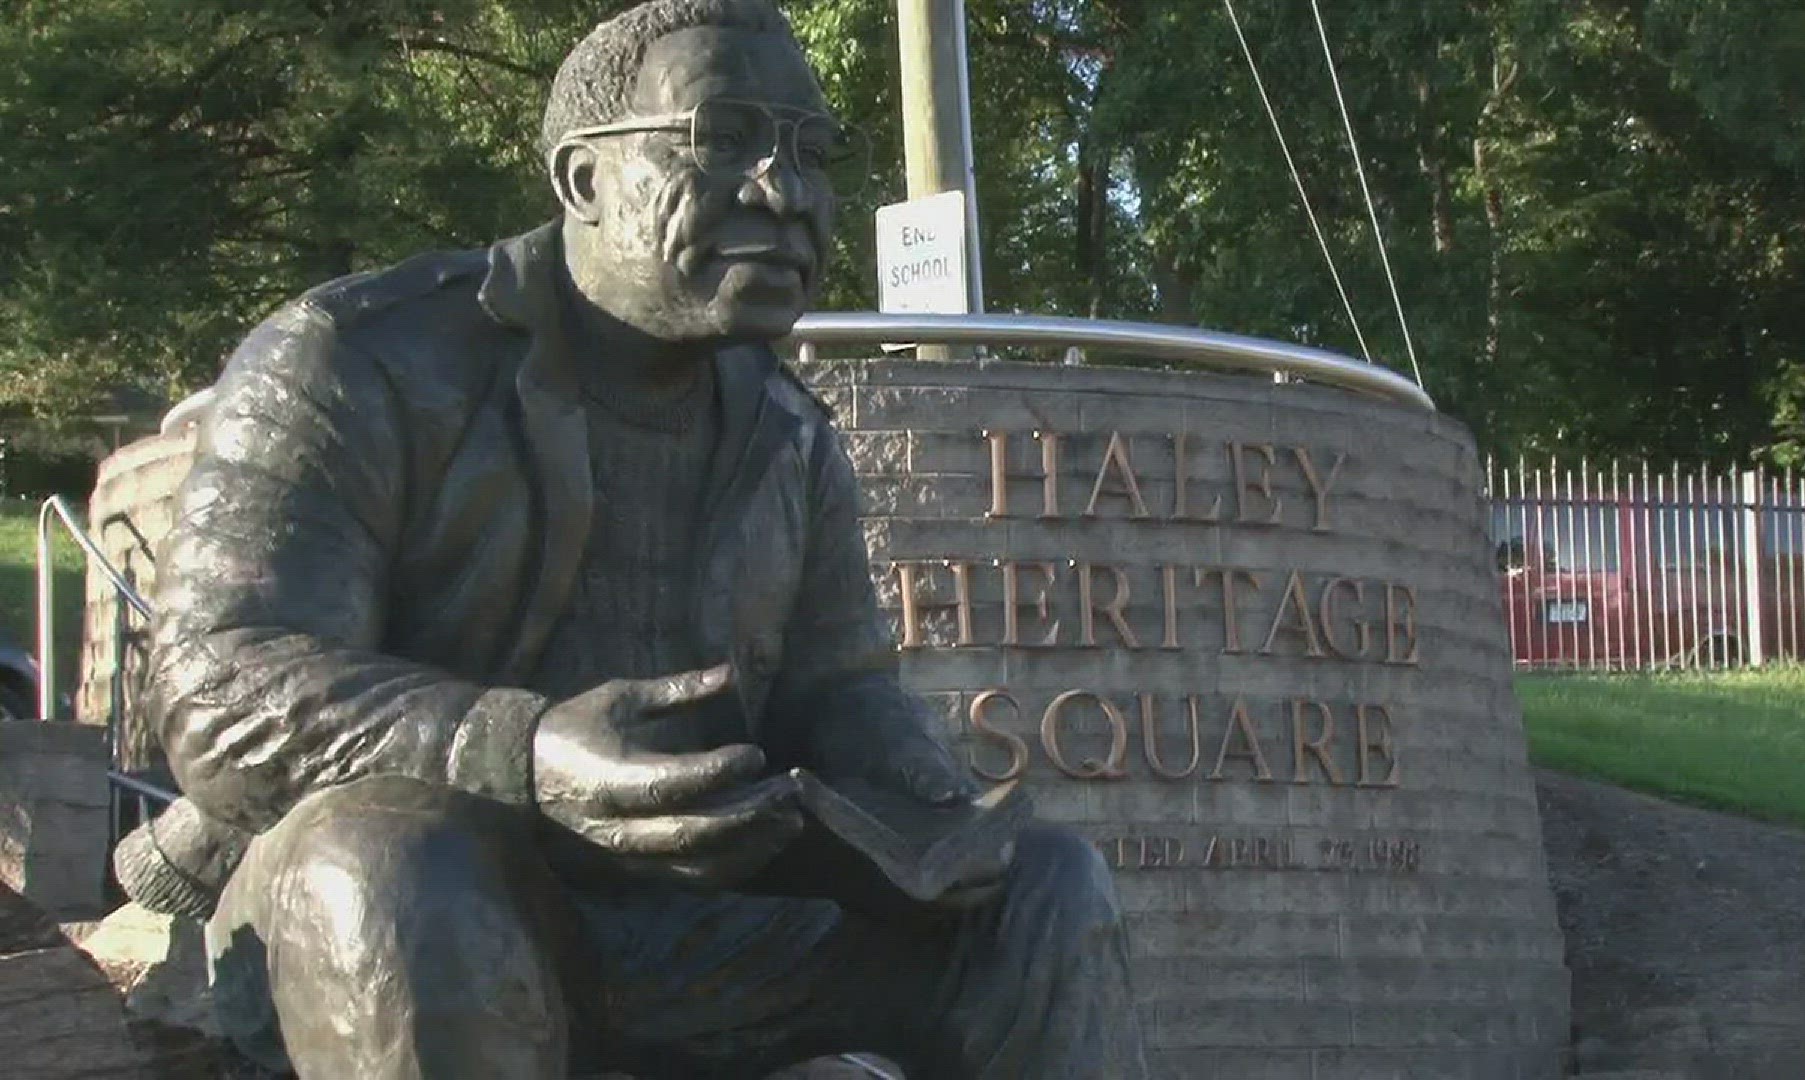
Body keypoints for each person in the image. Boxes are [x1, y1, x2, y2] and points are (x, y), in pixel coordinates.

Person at [138, 1, 1149, 1076]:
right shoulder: (357, 360)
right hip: (388, 918)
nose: (787, 191)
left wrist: (929, 808)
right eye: (723, 141)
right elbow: (215, 681)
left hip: (686, 935)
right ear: (582, 180)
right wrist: (519, 754)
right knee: (402, 860)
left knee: (1047, 891)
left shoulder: (788, 432)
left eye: (812, 154)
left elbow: (838, 691)